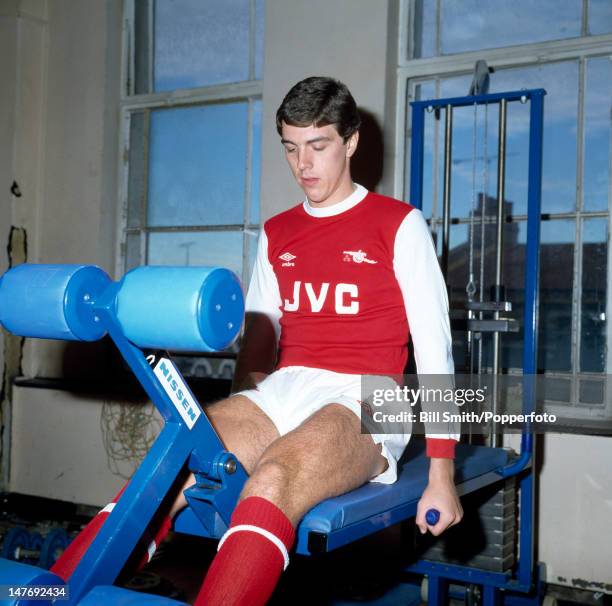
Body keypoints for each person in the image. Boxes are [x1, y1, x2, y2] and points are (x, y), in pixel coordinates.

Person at [52, 76, 463, 605]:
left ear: (352, 141)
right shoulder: (278, 232)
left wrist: (442, 472)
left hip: (375, 395)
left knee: (272, 479)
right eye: (292, 149)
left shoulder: (400, 224)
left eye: (319, 146)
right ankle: (45, 597)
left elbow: (435, 349)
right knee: (171, 463)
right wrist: (249, 407)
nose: (304, 165)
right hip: (287, 389)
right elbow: (259, 343)